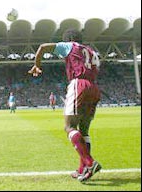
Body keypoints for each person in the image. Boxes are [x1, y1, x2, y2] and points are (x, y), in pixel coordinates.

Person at [28, 29, 101, 182]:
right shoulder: (92, 52)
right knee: (84, 130)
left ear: (68, 39)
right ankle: (83, 170)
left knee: (69, 126)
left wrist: (37, 65)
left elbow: (42, 47)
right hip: (94, 87)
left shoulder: (70, 46)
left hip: (79, 83)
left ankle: (90, 162)